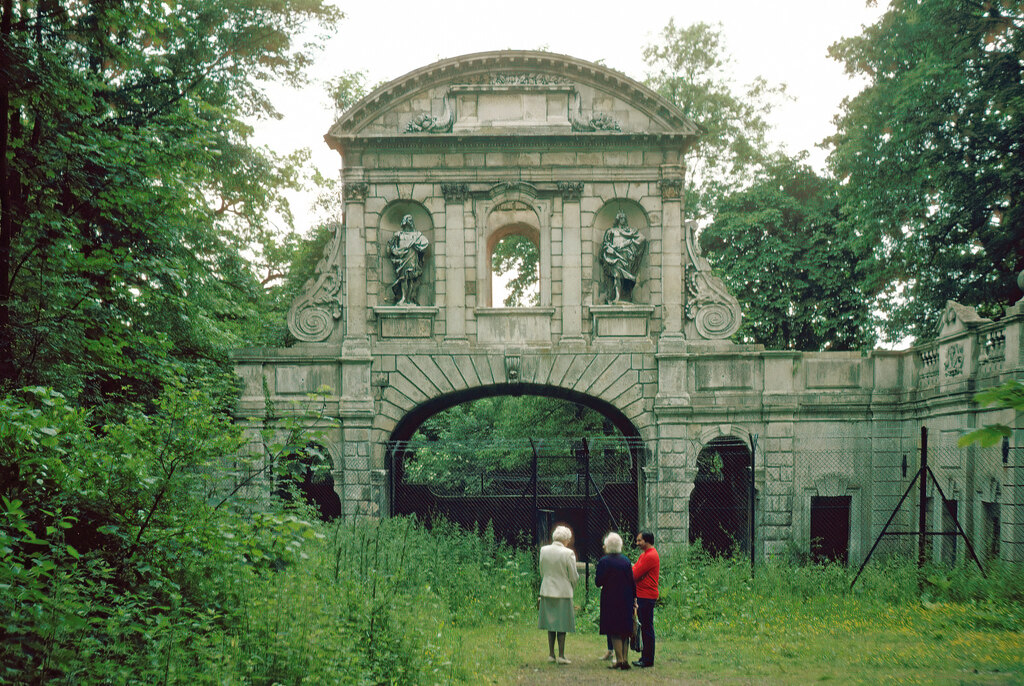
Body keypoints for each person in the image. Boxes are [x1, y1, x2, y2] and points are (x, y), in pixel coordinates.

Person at [538, 525, 580, 664]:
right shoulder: (568, 553)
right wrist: (572, 585)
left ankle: (551, 654)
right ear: (566, 539)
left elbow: (541, 570)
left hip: (547, 590)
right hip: (563, 592)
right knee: (562, 624)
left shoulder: (543, 550)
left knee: (551, 624)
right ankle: (561, 655)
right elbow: (573, 575)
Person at [596, 532, 636, 671]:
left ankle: (618, 660)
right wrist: (634, 599)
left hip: (610, 598)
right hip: (626, 597)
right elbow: (632, 581)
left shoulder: (604, 561)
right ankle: (625, 659)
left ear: (607, 545)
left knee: (613, 629)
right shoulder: (626, 561)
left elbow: (598, 581)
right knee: (625, 629)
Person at [600, 210, 646, 303]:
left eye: (624, 218)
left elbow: (642, 239)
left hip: (626, 258)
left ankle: (626, 296)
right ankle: (617, 296)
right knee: (616, 275)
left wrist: (631, 246)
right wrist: (612, 249)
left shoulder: (631, 231)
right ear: (618, 219)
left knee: (625, 278)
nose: (623, 220)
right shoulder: (611, 231)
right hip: (615, 257)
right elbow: (605, 244)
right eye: (621, 218)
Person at [632, 530, 659, 668]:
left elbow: (635, 573)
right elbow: (635, 571)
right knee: (644, 627)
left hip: (646, 595)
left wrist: (637, 574)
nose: (637, 543)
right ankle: (645, 657)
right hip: (643, 594)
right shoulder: (645, 555)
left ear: (647, 541)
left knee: (647, 628)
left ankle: (648, 659)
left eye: (639, 540)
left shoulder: (650, 556)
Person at [388, 214, 429, 305]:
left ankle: (409, 299)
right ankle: (403, 297)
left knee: (411, 278)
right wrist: (396, 253)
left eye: (411, 220)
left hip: (413, 258)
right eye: (409, 220)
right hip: (402, 259)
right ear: (405, 222)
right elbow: (391, 246)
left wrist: (417, 246)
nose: (411, 222)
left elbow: (425, 243)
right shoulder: (399, 234)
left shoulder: (417, 235)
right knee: (403, 278)